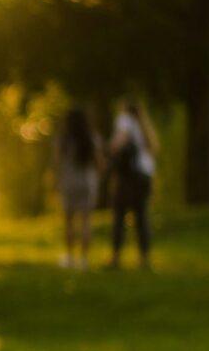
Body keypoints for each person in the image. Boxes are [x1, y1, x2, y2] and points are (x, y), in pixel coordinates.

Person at [106, 99, 157, 270]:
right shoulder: (144, 126)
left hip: (129, 176)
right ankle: (144, 258)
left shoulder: (124, 120)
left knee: (119, 215)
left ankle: (116, 257)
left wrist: (110, 149)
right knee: (142, 217)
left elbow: (117, 143)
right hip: (145, 175)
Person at [51, 109, 103, 269]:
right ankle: (84, 260)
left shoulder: (64, 139)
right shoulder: (91, 138)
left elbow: (56, 161)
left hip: (69, 182)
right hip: (87, 181)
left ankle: (69, 257)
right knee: (86, 221)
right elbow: (99, 162)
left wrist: (55, 181)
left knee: (69, 221)